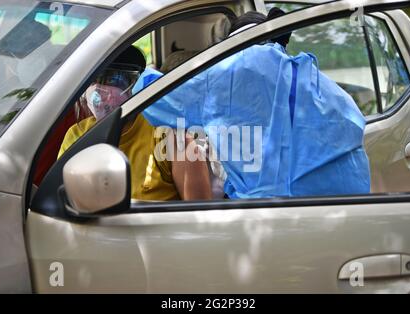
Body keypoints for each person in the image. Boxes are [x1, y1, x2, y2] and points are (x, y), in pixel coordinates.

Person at [133, 8, 371, 199]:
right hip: (348, 205)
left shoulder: (232, 73)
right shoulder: (313, 77)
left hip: (273, 217)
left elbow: (154, 97)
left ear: (229, 47)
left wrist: (139, 72)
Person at [58, 46, 212, 201]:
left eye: (112, 79)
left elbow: (199, 214)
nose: (97, 89)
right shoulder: (76, 135)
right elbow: (61, 199)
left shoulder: (169, 135)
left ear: (134, 85)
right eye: (93, 80)